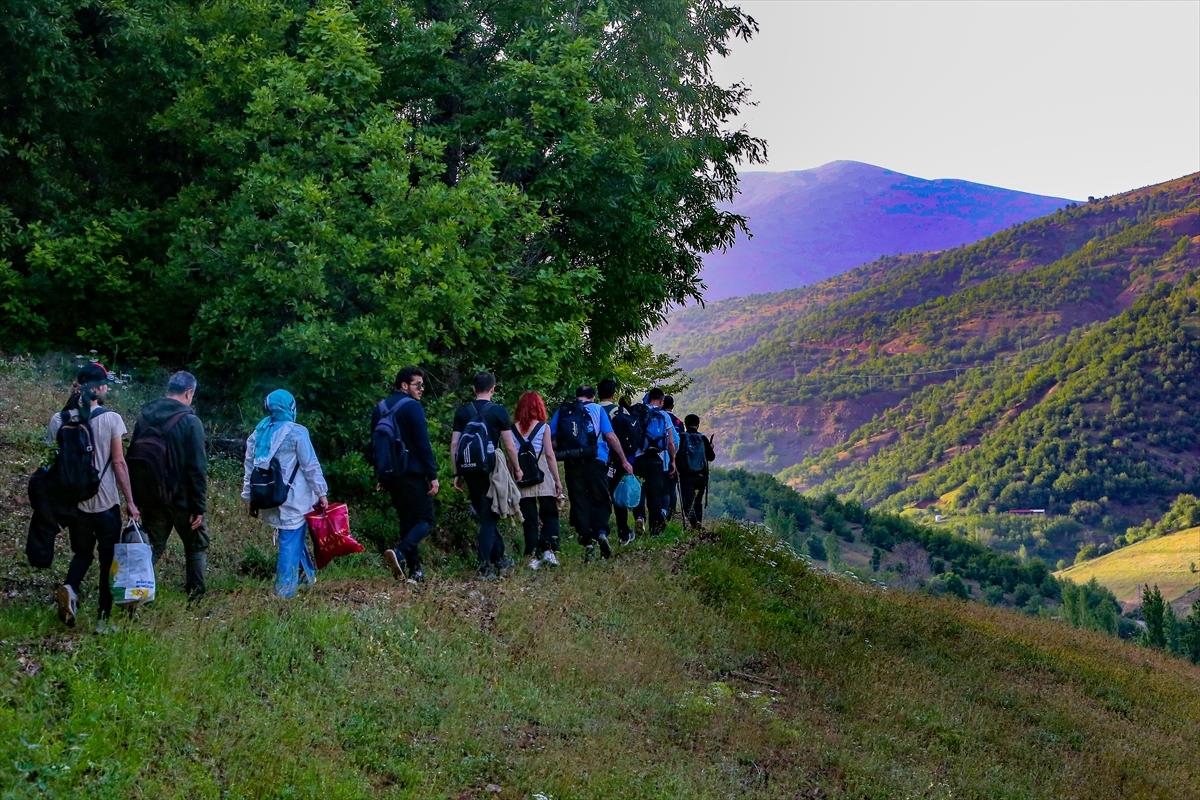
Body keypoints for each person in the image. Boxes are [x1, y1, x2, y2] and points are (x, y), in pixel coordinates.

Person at [49, 362, 140, 632]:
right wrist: (131, 503)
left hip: (75, 504)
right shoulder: (111, 419)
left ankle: (70, 587)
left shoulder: (59, 420)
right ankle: (102, 620)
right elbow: (119, 464)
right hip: (105, 504)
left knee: (81, 553)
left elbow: (55, 461)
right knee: (106, 560)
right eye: (105, 386)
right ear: (99, 388)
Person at [241, 389, 328, 598]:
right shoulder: (297, 432)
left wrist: (249, 496)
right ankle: (284, 592)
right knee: (290, 540)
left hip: (269, 496)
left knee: (291, 536)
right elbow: (310, 466)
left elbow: (249, 466)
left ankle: (307, 577)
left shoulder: (259, 432)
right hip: (294, 498)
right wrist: (322, 493)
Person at [130, 370, 209, 600]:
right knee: (196, 543)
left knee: (152, 546)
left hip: (151, 496)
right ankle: (196, 596)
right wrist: (199, 507)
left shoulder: (145, 416)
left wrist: (135, 498)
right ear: (189, 392)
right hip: (182, 498)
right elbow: (197, 468)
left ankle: (135, 593)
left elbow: (132, 457)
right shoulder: (190, 421)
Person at [451, 372, 522, 578]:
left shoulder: (463, 411)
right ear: (493, 388)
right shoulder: (498, 412)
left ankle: (500, 558)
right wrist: (516, 468)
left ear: (474, 389)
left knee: (485, 515)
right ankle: (484, 566)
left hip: (469, 469)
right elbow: (509, 445)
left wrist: (457, 472)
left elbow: (455, 444)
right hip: (491, 469)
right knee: (489, 518)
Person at [550, 385, 632, 560]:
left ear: (577, 396)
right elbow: (610, 436)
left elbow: (552, 440)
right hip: (596, 460)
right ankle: (601, 531)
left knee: (579, 500)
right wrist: (624, 460)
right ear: (593, 397)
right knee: (600, 497)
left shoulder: (564, 410)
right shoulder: (597, 409)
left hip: (572, 462)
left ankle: (587, 540)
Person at [372, 367, 439, 582]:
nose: (421, 389)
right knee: (426, 520)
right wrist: (433, 474)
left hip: (391, 475)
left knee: (406, 521)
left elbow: (374, 446)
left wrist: (381, 476)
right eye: (417, 384)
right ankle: (399, 554)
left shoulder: (380, 408)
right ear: (404, 385)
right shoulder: (412, 407)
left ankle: (415, 572)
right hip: (412, 472)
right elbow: (422, 444)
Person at [513, 391, 563, 569]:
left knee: (529, 518)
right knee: (550, 513)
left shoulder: (512, 428)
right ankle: (548, 550)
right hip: (543, 477)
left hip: (522, 476)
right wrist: (557, 481)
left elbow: (510, 454)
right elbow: (549, 455)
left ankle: (531, 553)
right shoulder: (544, 427)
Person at [598, 380, 637, 545]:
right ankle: (623, 533)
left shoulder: (592, 410)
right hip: (616, 459)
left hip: (595, 459)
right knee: (618, 496)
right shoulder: (619, 411)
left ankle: (600, 530)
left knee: (599, 496)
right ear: (613, 394)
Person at [633, 388, 677, 537]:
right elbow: (671, 442)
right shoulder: (664, 415)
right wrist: (672, 461)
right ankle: (654, 532)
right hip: (656, 460)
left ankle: (639, 517)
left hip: (638, 459)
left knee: (639, 491)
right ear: (661, 400)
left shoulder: (638, 412)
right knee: (655, 496)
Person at [678, 414, 716, 528]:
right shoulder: (703, 438)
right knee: (698, 501)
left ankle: (694, 523)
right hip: (701, 476)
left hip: (686, 475)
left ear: (685, 424)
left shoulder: (682, 437)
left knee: (687, 501)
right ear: (698, 425)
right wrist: (711, 447)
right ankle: (698, 522)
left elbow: (677, 454)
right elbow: (711, 457)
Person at [663, 395, 684, 522]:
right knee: (671, 489)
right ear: (672, 406)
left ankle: (659, 512)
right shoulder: (678, 423)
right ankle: (669, 516)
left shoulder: (657, 416)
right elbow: (679, 442)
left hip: (657, 457)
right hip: (673, 459)